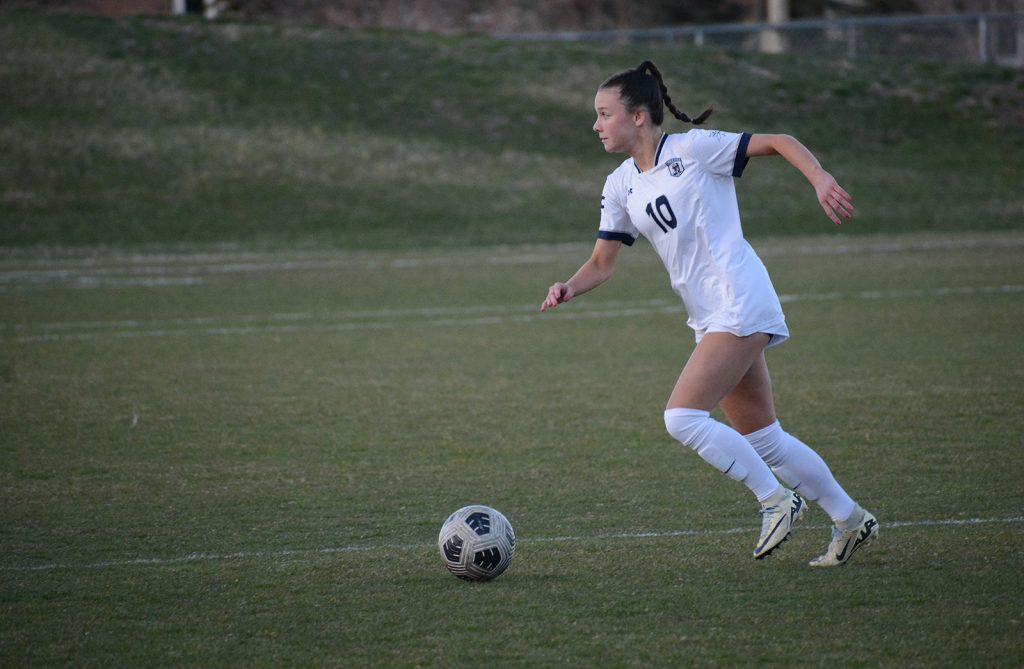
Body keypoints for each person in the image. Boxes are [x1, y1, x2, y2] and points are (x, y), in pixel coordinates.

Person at [540, 61, 878, 566]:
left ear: (638, 116)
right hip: (710, 315)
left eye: (604, 113)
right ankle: (851, 520)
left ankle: (775, 501)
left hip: (739, 299)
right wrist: (570, 285)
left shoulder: (693, 150)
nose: (596, 124)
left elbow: (780, 140)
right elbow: (601, 263)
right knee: (764, 439)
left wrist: (819, 176)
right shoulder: (619, 186)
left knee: (681, 416)